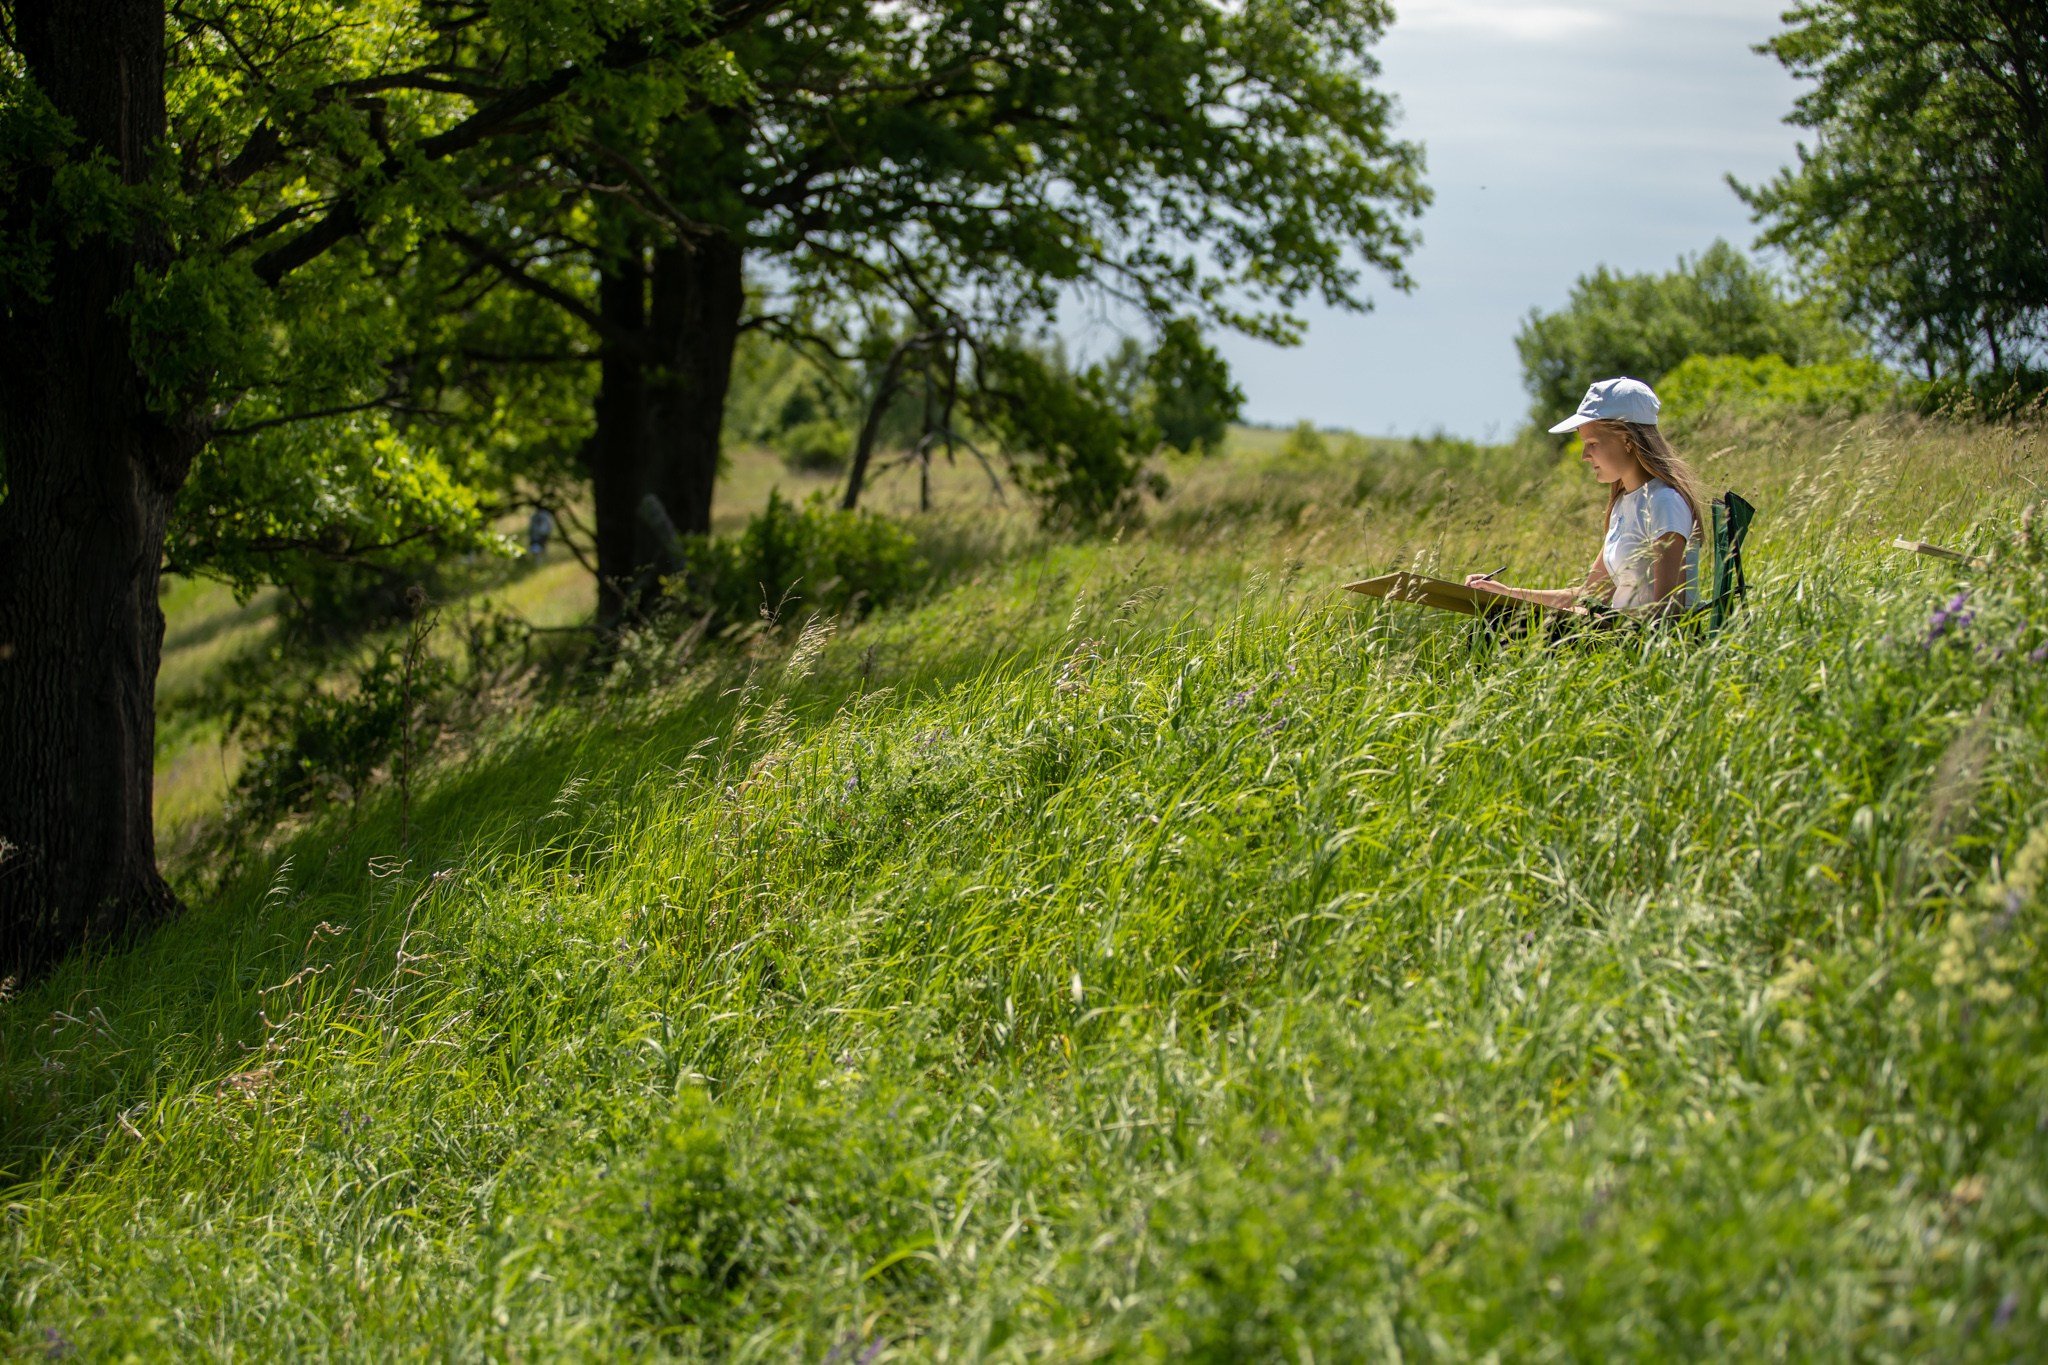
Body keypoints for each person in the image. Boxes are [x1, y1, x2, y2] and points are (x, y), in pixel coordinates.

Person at [1467, 377, 1706, 614]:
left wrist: (1600, 621)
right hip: (1615, 634)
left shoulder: (1665, 502)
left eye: (1592, 443)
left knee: (1509, 626)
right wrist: (1506, 593)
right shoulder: (1623, 505)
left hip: (1635, 643)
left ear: (1627, 440)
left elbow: (1667, 611)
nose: (1584, 455)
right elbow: (1589, 596)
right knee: (1501, 617)